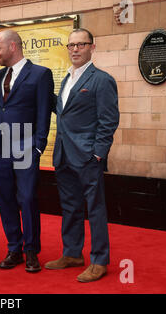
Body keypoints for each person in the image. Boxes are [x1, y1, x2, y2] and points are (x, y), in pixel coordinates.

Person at [44, 28, 119, 283]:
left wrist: (98, 153)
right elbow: (64, 112)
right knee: (70, 207)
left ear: (92, 47)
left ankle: (99, 260)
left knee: (95, 209)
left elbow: (108, 121)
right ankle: (72, 254)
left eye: (81, 44)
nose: (75, 49)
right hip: (64, 154)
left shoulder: (102, 79)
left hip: (87, 157)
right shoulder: (67, 79)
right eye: (71, 45)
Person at [0, 30, 54, 273]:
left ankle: (31, 250)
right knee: (5, 199)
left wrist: (39, 145)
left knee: (27, 198)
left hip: (27, 148)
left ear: (13, 47)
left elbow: (43, 111)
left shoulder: (40, 74)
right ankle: (14, 248)